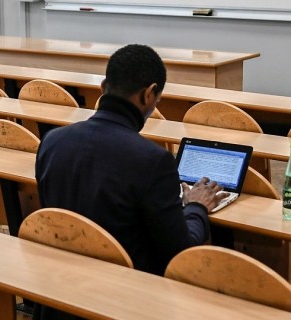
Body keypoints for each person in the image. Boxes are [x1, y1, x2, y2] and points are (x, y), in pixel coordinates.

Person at [35, 44, 228, 319]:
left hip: (62, 291)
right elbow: (179, 253)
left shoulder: (52, 141)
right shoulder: (152, 160)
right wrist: (196, 207)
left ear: (103, 86)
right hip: (127, 300)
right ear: (148, 94)